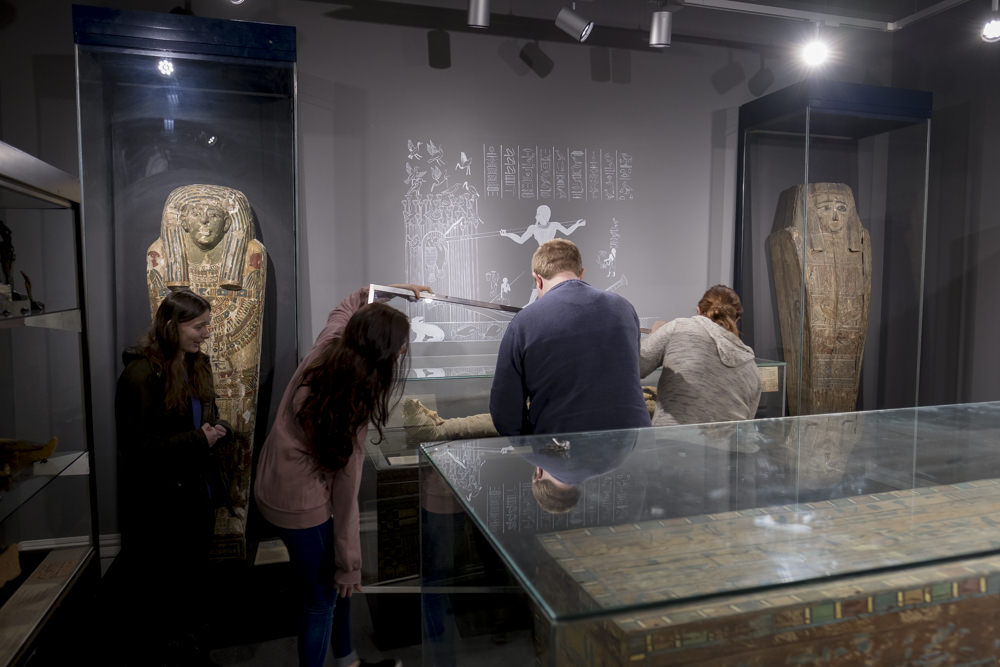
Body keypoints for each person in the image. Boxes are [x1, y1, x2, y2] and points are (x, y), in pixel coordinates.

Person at [253, 282, 430, 667]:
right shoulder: (351, 403)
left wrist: (394, 290)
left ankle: (348, 661)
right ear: (381, 352)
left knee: (332, 590)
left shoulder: (331, 346)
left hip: (272, 483)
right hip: (300, 504)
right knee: (322, 601)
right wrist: (351, 565)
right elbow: (345, 495)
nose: (404, 350)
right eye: (400, 344)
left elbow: (353, 300)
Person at [113, 289, 233, 666]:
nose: (207, 333)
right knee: (165, 588)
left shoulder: (197, 364)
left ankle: (191, 647)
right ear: (171, 326)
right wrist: (200, 438)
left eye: (207, 324)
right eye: (199, 326)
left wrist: (217, 429)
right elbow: (138, 448)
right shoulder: (140, 375)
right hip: (161, 504)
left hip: (196, 493)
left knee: (191, 581)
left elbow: (201, 417)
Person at [489, 238, 651, 436]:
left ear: (537, 279)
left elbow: (504, 410)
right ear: (581, 273)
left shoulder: (524, 321)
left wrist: (532, 446)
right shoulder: (624, 308)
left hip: (562, 451)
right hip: (632, 444)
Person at [640, 285, 761, 426]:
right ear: (737, 319)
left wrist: (655, 335)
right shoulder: (750, 364)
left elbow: (635, 366)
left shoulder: (678, 328)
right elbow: (746, 423)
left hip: (671, 443)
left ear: (698, 310)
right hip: (725, 446)